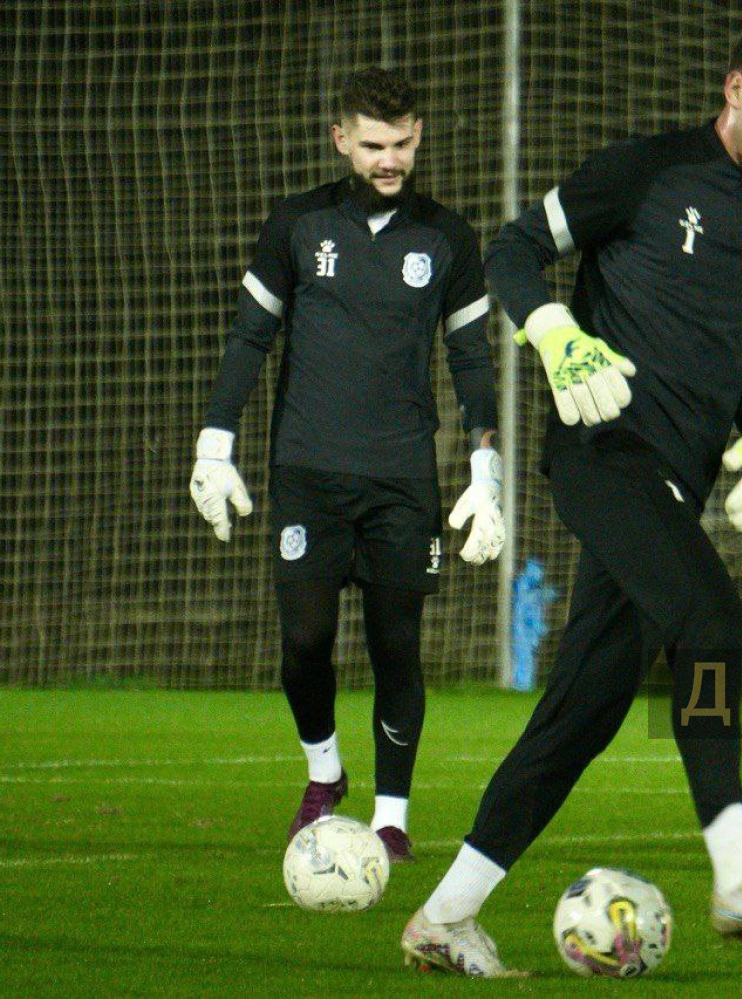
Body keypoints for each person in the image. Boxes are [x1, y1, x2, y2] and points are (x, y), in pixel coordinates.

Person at [399, 15, 742, 977]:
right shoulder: (644, 171)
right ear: (735, 89)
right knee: (710, 616)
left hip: (677, 484)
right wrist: (555, 332)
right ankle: (739, 870)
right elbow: (514, 248)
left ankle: (443, 916)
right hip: (604, 453)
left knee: (584, 712)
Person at [189, 67, 504, 864]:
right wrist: (215, 443)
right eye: (371, 146)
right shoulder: (297, 224)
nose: (388, 159)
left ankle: (391, 819)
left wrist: (486, 470)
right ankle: (325, 773)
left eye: (400, 143)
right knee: (304, 641)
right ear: (340, 140)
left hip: (402, 479)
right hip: (308, 472)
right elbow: (249, 337)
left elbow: (472, 357)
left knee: (397, 645)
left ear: (418, 135)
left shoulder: (449, 238)